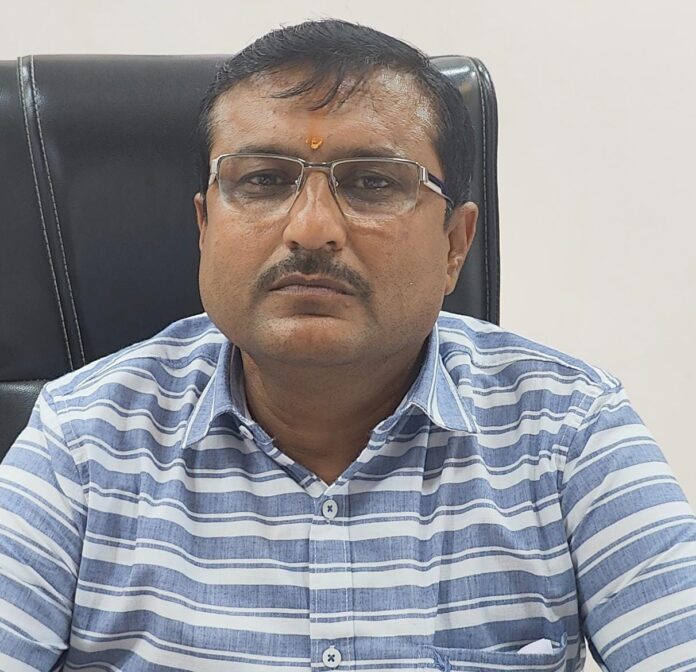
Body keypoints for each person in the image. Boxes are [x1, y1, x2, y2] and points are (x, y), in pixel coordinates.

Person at [0, 18, 694, 672]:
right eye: (264, 180)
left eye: (371, 183)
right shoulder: (82, 442)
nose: (310, 230)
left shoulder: (568, 431)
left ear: (455, 245)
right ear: (205, 228)